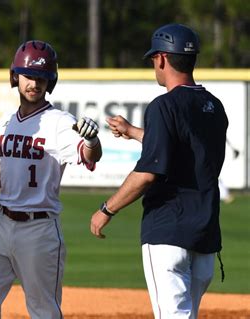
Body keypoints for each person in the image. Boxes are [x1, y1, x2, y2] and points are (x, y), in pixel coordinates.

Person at [91, 23, 228, 319]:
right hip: (204, 239)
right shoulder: (214, 107)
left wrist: (107, 209)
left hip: (168, 233)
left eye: (154, 58)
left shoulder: (163, 106)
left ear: (163, 59)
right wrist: (135, 132)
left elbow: (148, 173)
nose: (154, 64)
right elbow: (187, 149)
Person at [0, 40, 102, 318]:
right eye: (28, 76)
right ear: (15, 77)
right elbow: (7, 171)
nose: (34, 84)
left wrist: (92, 139)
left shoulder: (60, 122)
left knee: (43, 312)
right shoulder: (6, 120)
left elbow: (90, 155)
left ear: (50, 82)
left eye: (42, 78)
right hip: (0, 225)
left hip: (38, 230)